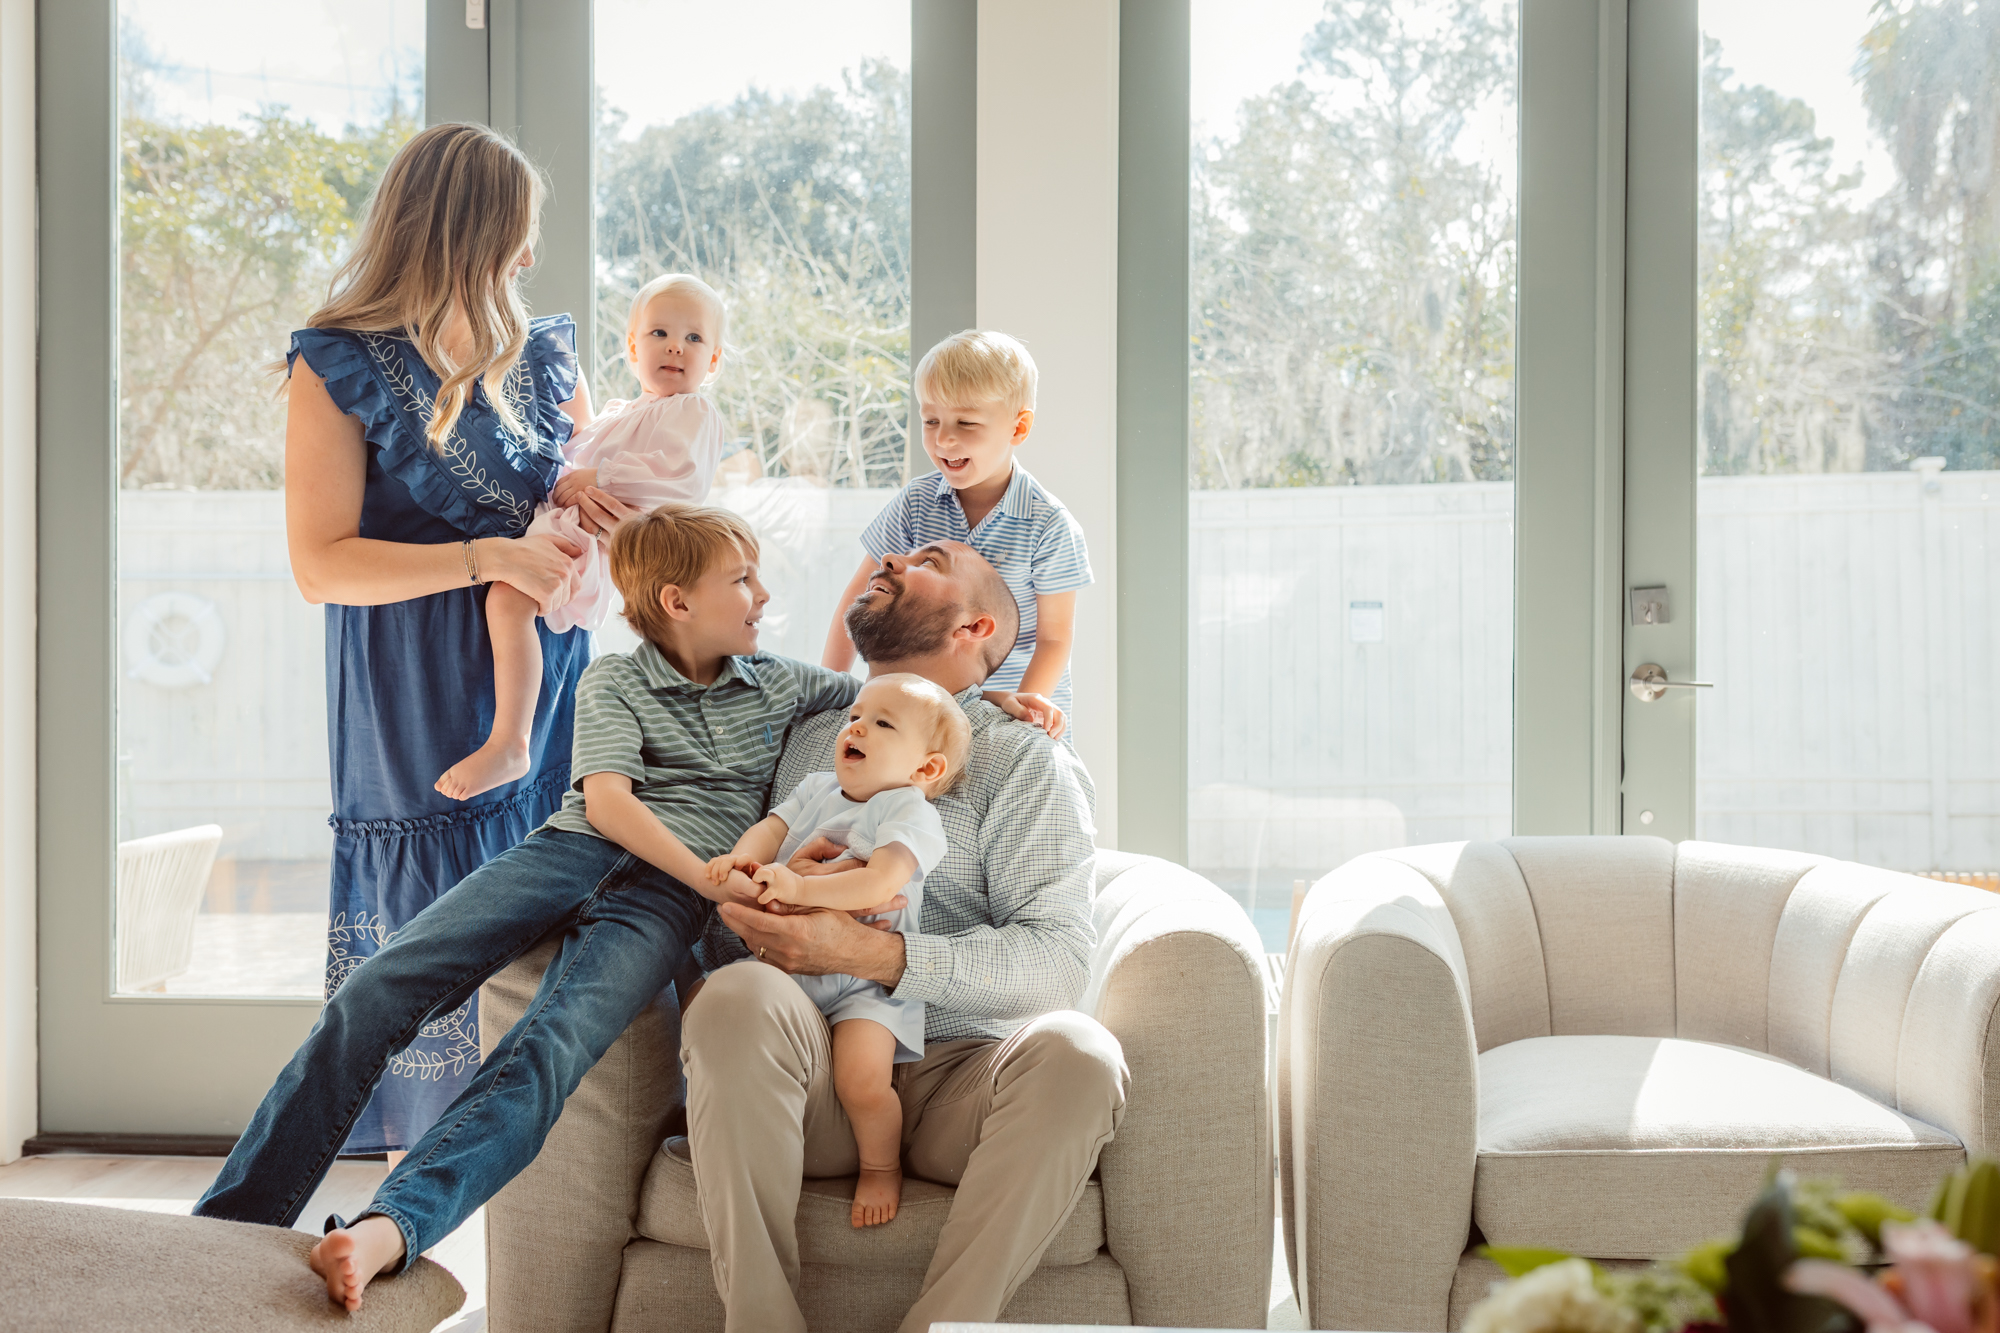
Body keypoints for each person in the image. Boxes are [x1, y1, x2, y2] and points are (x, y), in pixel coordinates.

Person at [196, 504, 862, 1312]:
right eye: (742, 579)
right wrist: (712, 876)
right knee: (375, 989)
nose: (762, 594)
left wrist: (1001, 701)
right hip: (572, 850)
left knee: (547, 1050)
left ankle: (386, 1229)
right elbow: (611, 806)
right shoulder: (613, 678)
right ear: (678, 601)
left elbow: (895, 697)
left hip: (660, 903)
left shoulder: (785, 682)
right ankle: (225, 1230)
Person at [282, 121, 644, 1160]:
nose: (529, 259)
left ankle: (543, 1192)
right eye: (517, 233)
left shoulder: (546, 355)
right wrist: (484, 558)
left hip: (543, 676)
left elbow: (587, 500)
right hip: (405, 685)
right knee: (424, 932)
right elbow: (321, 564)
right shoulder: (338, 361)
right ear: (464, 232)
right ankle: (408, 1210)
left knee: (546, 915)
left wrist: (596, 502)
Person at [685, 538, 1130, 1333]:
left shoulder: (1023, 759)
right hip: (813, 1067)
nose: (889, 556)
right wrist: (760, 903)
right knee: (735, 991)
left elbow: (1059, 961)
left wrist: (878, 954)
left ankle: (941, 1328)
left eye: (927, 557)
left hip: (958, 1083)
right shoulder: (814, 737)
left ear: (973, 627)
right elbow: (737, 916)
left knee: (1080, 1054)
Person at [437, 273, 728, 801]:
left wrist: (601, 479)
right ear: (632, 347)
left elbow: (681, 480)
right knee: (509, 606)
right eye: (660, 333)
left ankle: (510, 741)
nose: (675, 348)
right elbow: (569, 457)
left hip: (598, 540)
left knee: (507, 602)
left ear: (713, 361)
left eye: (694, 338)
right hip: (576, 529)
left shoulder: (693, 411)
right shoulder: (624, 413)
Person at [706, 673, 971, 1229]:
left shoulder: (908, 810)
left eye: (882, 723)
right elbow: (770, 831)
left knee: (860, 1080)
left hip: (867, 987)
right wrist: (742, 862)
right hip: (790, 968)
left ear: (925, 769)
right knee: (723, 1011)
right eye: (855, 715)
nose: (856, 727)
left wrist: (800, 888)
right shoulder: (815, 788)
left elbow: (879, 885)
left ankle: (879, 1166)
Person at [822, 330, 1092, 740]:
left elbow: (1054, 638)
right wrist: (831, 690)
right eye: (931, 420)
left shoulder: (1048, 524)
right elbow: (857, 597)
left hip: (1009, 714)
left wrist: (1025, 713)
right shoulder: (915, 502)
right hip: (919, 709)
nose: (943, 438)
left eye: (966, 422)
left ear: (1018, 427)